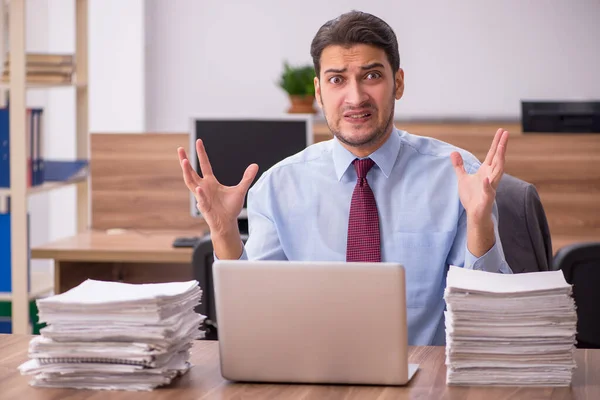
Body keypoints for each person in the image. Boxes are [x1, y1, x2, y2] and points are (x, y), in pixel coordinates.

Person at [177, 10, 512, 346]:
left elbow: (488, 314)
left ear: (398, 83)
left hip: (426, 380)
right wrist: (223, 231)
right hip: (314, 378)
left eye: (372, 76)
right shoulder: (278, 186)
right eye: (337, 79)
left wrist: (480, 222)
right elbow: (256, 315)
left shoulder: (455, 175)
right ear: (319, 92)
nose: (356, 97)